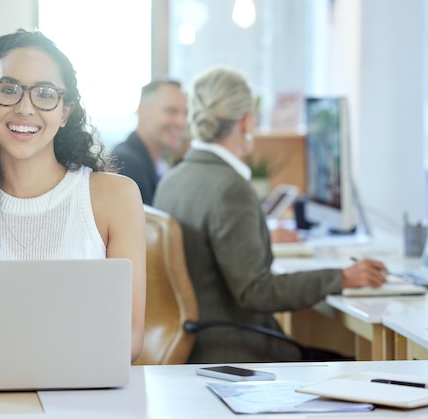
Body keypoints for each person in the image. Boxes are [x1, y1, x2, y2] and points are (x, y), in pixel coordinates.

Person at [0, 30, 146, 367]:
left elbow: (128, 339)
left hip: (83, 397)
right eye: (8, 90)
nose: (26, 108)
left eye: (45, 93)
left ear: (65, 112)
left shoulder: (116, 197)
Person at [153, 67, 387, 363]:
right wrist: (341, 277)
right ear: (246, 120)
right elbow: (256, 291)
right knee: (361, 366)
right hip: (234, 350)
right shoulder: (230, 189)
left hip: (193, 343)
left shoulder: (173, 178)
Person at [110, 79, 188, 205]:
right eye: (171, 111)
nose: (182, 122)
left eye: (185, 114)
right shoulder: (124, 164)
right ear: (143, 111)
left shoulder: (160, 164)